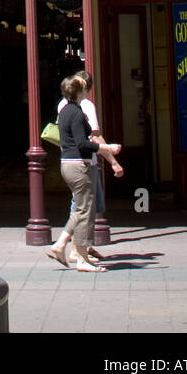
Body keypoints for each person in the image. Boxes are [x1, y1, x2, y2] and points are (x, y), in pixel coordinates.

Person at [50, 70, 123, 265]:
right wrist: (110, 153)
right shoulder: (80, 110)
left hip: (68, 161)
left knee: (82, 208)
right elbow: (86, 141)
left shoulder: (63, 108)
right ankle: (76, 252)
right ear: (83, 90)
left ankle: (74, 248)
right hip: (81, 163)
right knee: (84, 209)